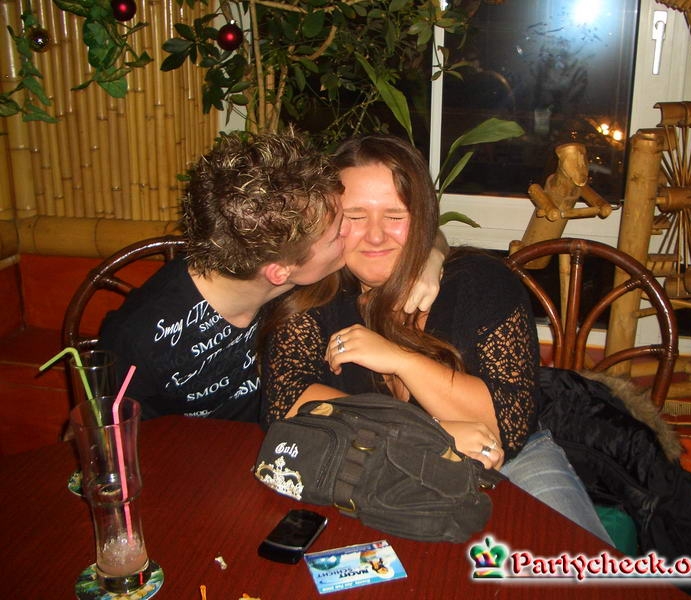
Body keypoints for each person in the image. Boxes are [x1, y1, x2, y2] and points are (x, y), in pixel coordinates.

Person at [260, 134, 612, 543]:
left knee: (580, 563)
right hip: (364, 467)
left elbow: (505, 429)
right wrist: (432, 436)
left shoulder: (482, 283)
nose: (375, 236)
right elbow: (286, 406)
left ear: (424, 219)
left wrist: (400, 359)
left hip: (510, 463)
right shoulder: (314, 296)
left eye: (395, 215)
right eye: (355, 216)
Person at [98, 129, 443, 422]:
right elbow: (113, 437)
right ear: (280, 272)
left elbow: (416, 232)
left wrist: (431, 254)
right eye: (340, 229)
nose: (356, 236)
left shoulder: (285, 267)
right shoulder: (140, 340)